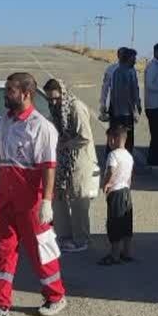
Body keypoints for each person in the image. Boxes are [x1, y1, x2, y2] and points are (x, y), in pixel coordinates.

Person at [0, 72, 67, 316]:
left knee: (40, 250)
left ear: (26, 94)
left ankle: (55, 296)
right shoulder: (5, 120)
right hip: (6, 197)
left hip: (31, 201)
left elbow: (49, 166)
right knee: (3, 250)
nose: (5, 94)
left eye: (10, 90)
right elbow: (0, 157)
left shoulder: (42, 127)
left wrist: (46, 202)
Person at [44, 78, 95, 254]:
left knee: (79, 200)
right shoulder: (54, 111)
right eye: (50, 99)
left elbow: (85, 137)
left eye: (56, 98)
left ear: (63, 94)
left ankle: (82, 239)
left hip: (79, 161)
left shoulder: (75, 107)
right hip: (61, 161)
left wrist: (65, 144)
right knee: (59, 198)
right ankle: (65, 237)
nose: (54, 102)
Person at [100, 125, 136, 264]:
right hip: (126, 191)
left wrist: (106, 183)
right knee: (126, 223)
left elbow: (111, 170)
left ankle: (114, 255)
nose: (108, 142)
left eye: (108, 139)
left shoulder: (113, 155)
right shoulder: (128, 155)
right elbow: (131, 174)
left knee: (114, 222)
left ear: (114, 139)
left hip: (116, 192)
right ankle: (127, 252)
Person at [102, 47, 141, 148]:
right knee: (125, 137)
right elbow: (130, 91)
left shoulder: (118, 71)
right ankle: (123, 158)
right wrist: (135, 108)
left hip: (117, 109)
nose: (135, 60)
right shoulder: (126, 72)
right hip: (125, 111)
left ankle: (114, 154)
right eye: (133, 58)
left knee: (116, 134)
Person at [144, 41, 158, 167]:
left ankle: (155, 157)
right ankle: (153, 159)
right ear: (157, 52)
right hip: (154, 106)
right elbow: (150, 85)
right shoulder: (153, 66)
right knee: (156, 134)